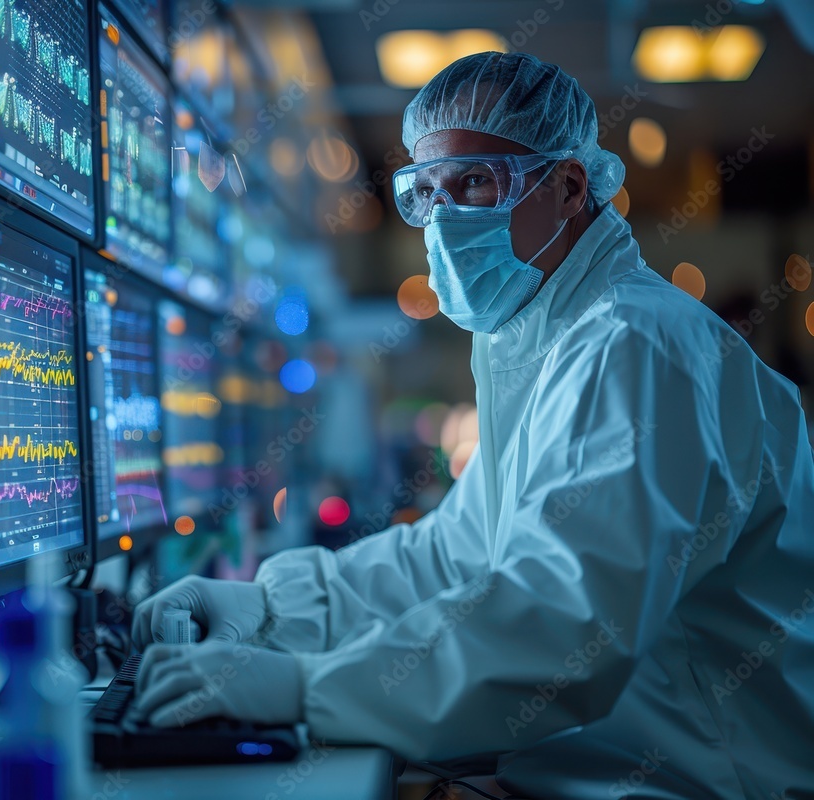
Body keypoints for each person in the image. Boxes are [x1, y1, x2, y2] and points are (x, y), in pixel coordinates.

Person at [130, 52, 814, 799]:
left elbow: (562, 628)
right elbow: (450, 559)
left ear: (568, 187)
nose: (445, 217)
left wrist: (300, 689)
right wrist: (267, 609)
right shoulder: (550, 341)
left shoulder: (632, 345)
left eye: (476, 182)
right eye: (425, 191)